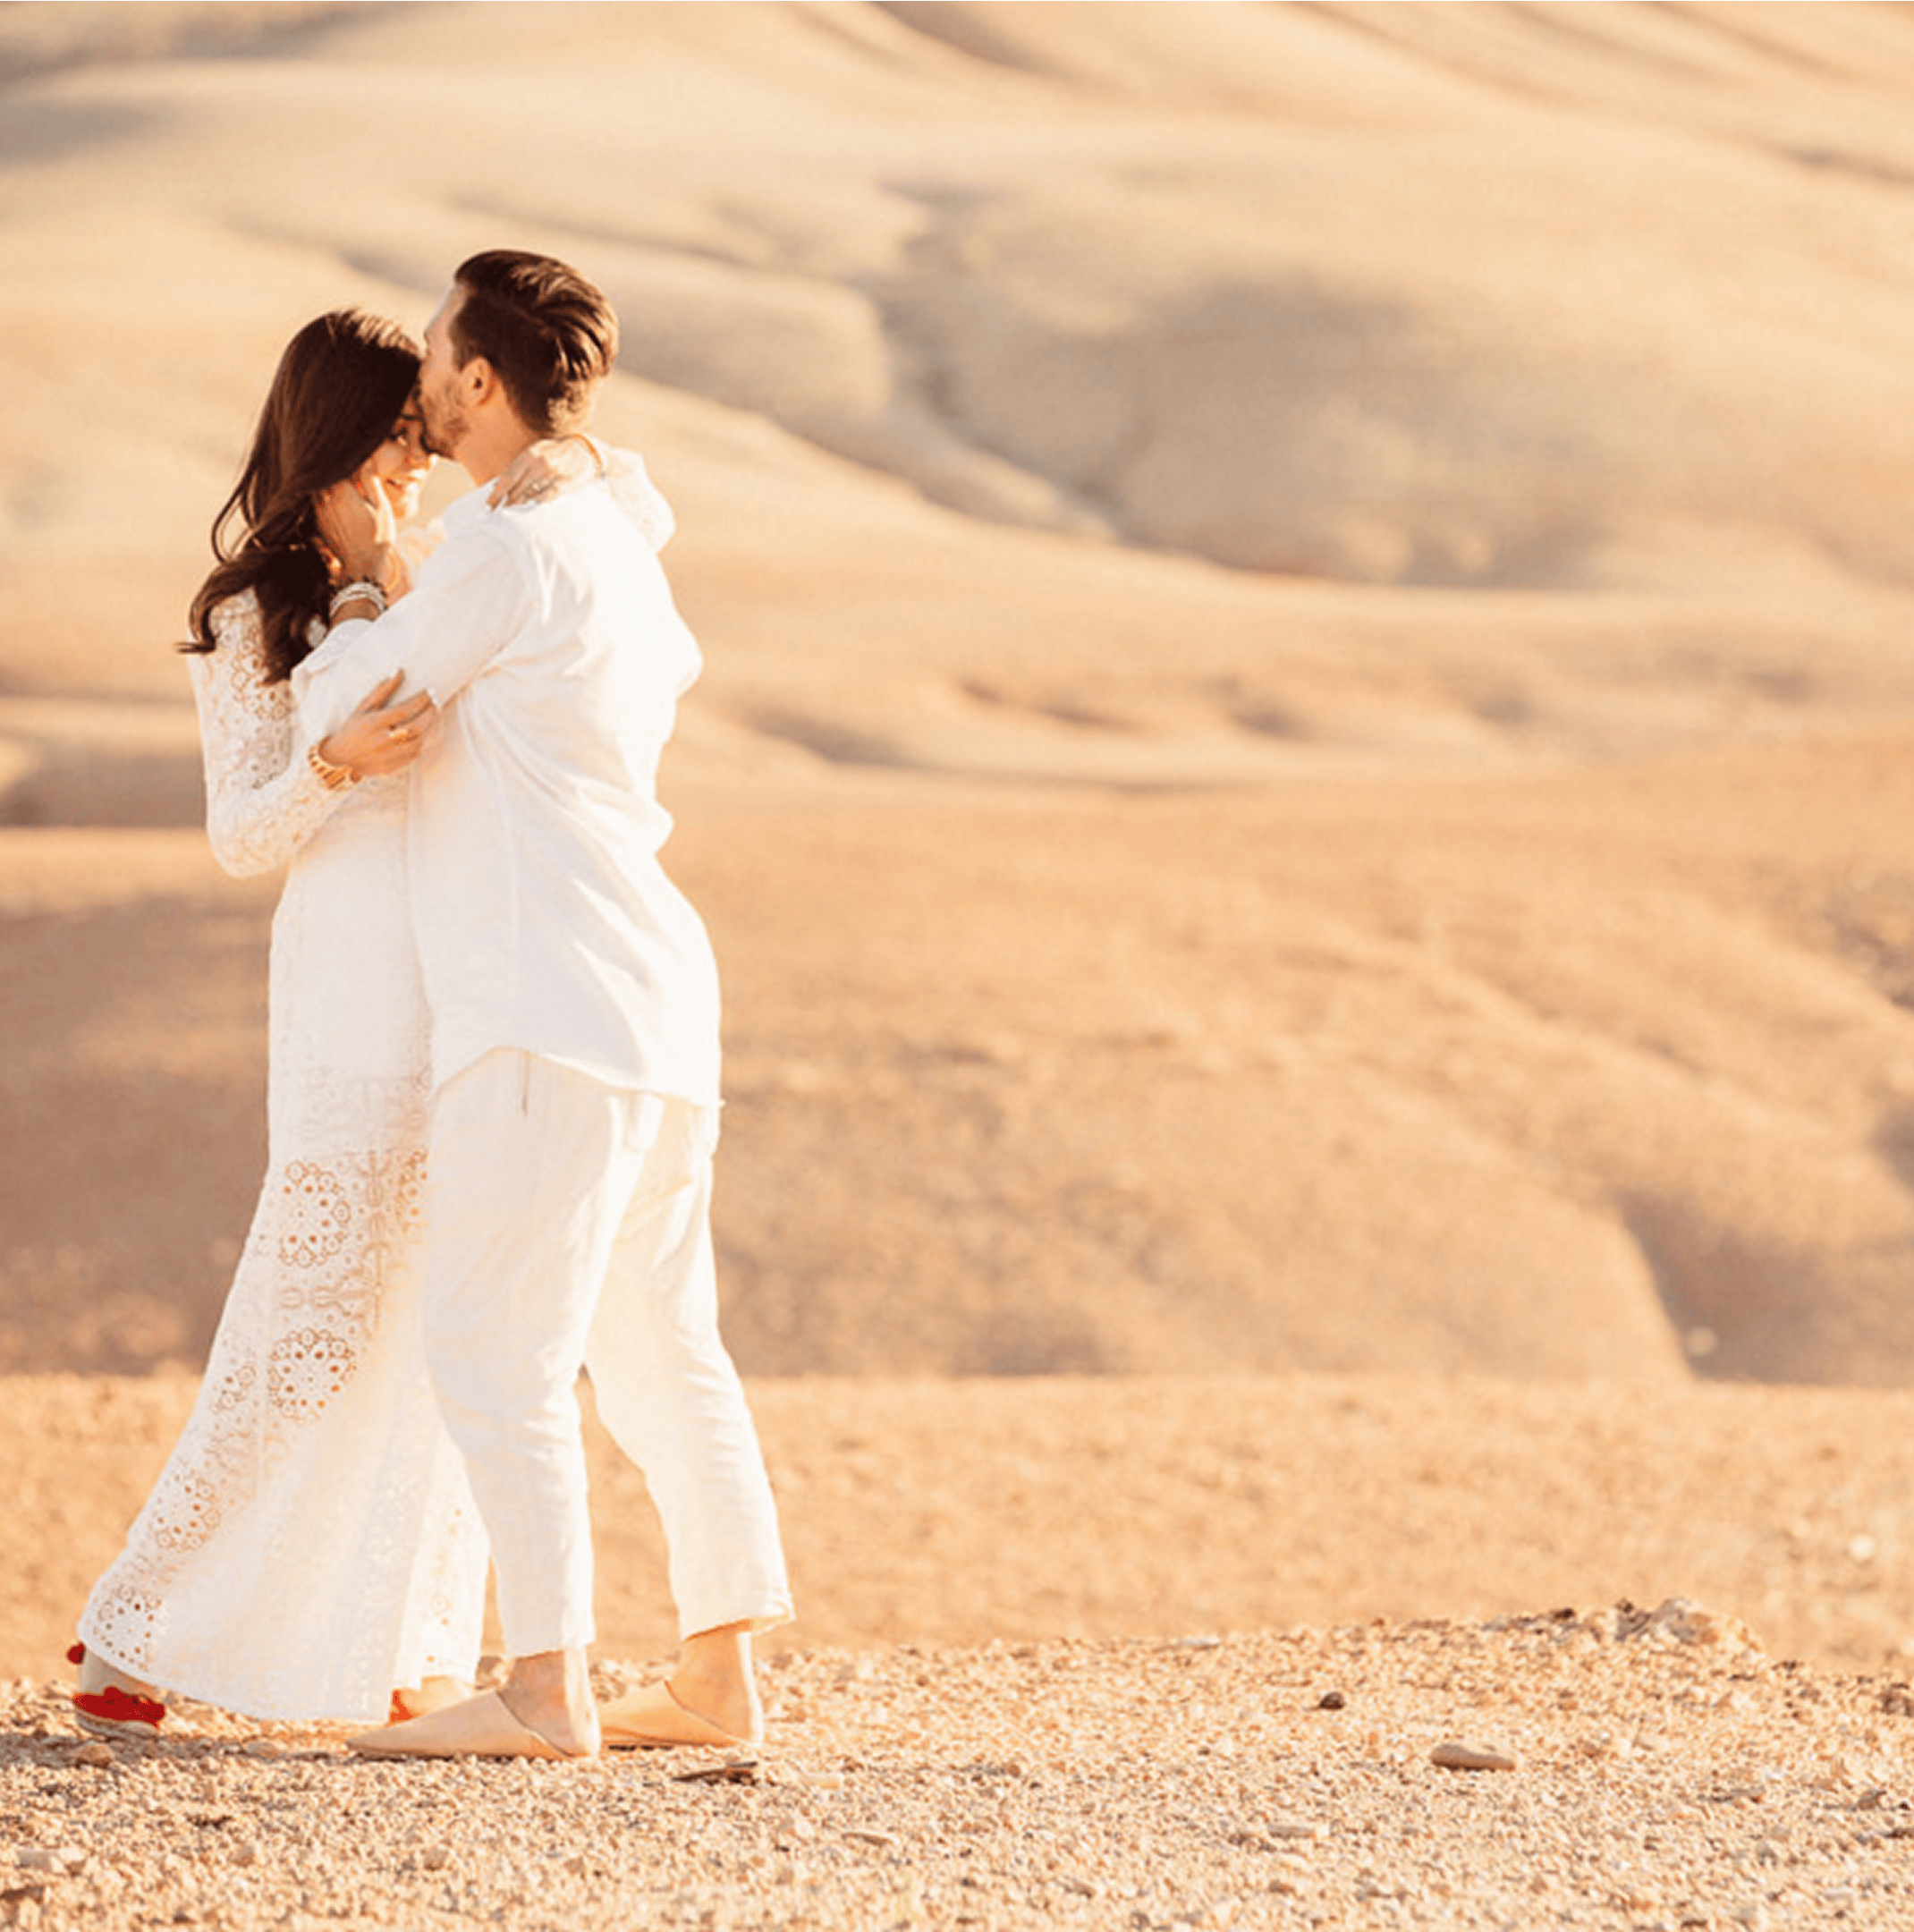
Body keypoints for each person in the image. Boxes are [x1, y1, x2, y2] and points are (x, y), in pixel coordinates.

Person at [72, 310, 603, 1734]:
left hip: (460, 979)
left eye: (423, 445)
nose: (414, 470)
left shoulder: (423, 577)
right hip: (350, 999)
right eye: (395, 443)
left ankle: (408, 1648)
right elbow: (244, 835)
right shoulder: (248, 610)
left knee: (445, 1321)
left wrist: (387, 586)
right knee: (305, 1329)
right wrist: (328, 763)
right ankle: (127, 1632)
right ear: (335, 440)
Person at [301, 250, 791, 1762]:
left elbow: (350, 707)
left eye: (441, 365)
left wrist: (367, 577)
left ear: (483, 383)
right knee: (661, 1345)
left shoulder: (506, 558)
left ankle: (546, 1687)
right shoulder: (613, 540)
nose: (424, 393)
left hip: (538, 1000)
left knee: (494, 1349)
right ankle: (718, 1678)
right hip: (654, 999)